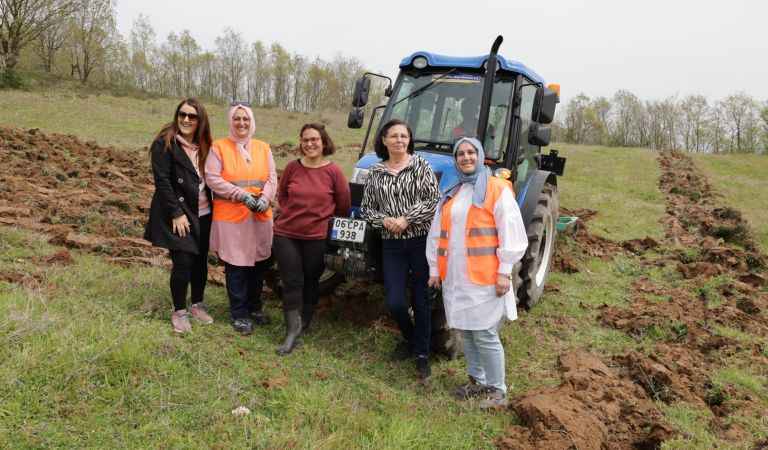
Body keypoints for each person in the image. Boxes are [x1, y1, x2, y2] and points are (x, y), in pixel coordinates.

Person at [426, 137, 528, 409]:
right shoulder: (452, 191)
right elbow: (437, 233)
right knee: (466, 331)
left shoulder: (496, 190)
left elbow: (511, 232)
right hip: (456, 277)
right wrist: (435, 268)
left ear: (481, 156)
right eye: (461, 153)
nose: (466, 157)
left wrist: (505, 272)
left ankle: (498, 389)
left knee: (484, 333)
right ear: (455, 159)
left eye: (471, 152)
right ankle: (476, 380)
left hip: (485, 278)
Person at [360, 118, 440, 380]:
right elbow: (367, 209)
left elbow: (433, 201)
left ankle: (422, 356)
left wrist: (406, 219)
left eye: (403, 136)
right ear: (384, 140)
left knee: (421, 300)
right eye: (393, 136)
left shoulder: (421, 166)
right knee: (395, 301)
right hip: (391, 245)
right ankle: (411, 339)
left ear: (409, 140)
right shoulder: (375, 172)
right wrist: (384, 220)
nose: (399, 140)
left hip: (419, 241)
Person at [273, 123, 351, 355]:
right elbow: (283, 194)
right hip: (286, 233)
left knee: (310, 281)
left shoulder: (334, 172)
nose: (310, 144)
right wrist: (290, 214)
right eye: (305, 140)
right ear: (301, 143)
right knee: (292, 280)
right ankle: (291, 332)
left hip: (317, 236)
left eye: (314, 139)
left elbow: (344, 205)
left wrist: (324, 225)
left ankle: (304, 319)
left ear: (323, 141)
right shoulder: (292, 168)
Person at [205, 102, 277, 335]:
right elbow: (212, 178)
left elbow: (272, 179)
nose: (241, 123)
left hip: (259, 215)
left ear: (251, 122)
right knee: (236, 266)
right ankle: (240, 313)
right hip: (232, 216)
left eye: (245, 119)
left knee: (258, 264)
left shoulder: (263, 148)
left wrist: (265, 198)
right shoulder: (219, 147)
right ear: (230, 122)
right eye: (237, 118)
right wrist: (240, 195)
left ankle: (255, 307)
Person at [144, 98, 215, 334]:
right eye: (182, 114)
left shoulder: (204, 146)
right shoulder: (165, 143)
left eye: (192, 116)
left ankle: (197, 304)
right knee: (184, 261)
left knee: (200, 261)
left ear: (200, 121)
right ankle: (179, 310)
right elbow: (162, 182)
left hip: (204, 213)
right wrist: (176, 213)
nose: (186, 119)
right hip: (179, 213)